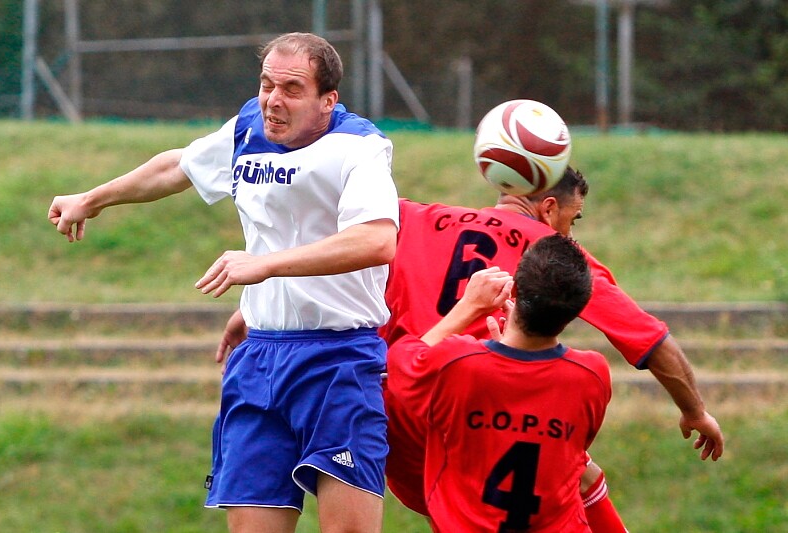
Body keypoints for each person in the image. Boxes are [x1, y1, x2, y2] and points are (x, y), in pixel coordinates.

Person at [48, 32, 399, 533]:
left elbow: (376, 240)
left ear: (328, 100)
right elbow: (177, 166)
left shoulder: (359, 147)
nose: (274, 100)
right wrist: (91, 199)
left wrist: (265, 267)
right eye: (267, 84)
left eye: (292, 89)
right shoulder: (247, 130)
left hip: (338, 360)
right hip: (259, 358)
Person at [378, 167, 723, 531]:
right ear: (548, 208)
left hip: (394, 412)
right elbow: (650, 339)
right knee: (571, 469)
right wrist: (695, 412)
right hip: (474, 407)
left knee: (461, 508)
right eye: (572, 221)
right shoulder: (550, 258)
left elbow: (356, 209)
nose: (569, 235)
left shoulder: (414, 215)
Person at [388, 234, 611, 532]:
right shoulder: (592, 374)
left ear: (514, 289)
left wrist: (469, 306)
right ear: (576, 310)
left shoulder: (458, 364)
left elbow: (401, 364)